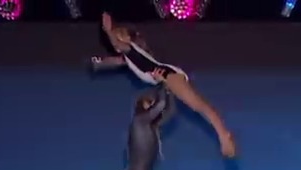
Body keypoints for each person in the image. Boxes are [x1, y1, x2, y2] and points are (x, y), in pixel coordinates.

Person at [91, 12, 237, 158]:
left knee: (198, 106)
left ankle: (224, 136)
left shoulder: (130, 50)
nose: (118, 38)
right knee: (152, 112)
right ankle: (147, 145)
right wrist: (97, 62)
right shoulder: (127, 57)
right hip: (162, 81)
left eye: (121, 34)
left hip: (168, 76)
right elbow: (111, 61)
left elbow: (117, 45)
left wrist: (108, 30)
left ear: (128, 40)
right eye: (117, 34)